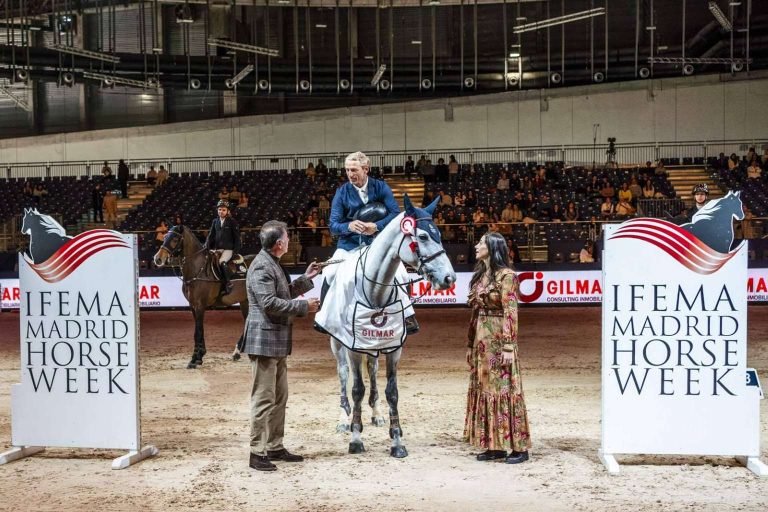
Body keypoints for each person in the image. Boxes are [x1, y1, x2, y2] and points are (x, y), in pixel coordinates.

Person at [243, 220, 321, 472]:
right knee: (264, 398)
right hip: (264, 342)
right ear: (279, 243)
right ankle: (257, 452)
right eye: (287, 238)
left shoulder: (270, 263)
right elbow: (269, 304)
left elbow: (281, 293)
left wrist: (305, 279)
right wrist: (303, 306)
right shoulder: (261, 266)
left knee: (278, 398)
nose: (289, 241)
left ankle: (274, 446)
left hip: (274, 342)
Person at [326, 150, 418, 333]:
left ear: (366, 169)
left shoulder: (381, 187)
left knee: (401, 274)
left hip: (378, 244)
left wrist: (376, 226)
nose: (350, 174)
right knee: (330, 273)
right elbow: (333, 225)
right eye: (347, 170)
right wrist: (349, 226)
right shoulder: (341, 192)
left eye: (354, 170)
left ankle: (407, 315)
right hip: (349, 245)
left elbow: (395, 214)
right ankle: (326, 317)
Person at [464, 232, 531, 464]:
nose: (476, 246)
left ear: (492, 248)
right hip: (482, 341)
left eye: (481, 243)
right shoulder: (481, 276)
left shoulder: (507, 276)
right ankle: (495, 445)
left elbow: (511, 311)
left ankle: (519, 448)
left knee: (504, 389)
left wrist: (509, 345)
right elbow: (475, 313)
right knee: (486, 389)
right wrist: (470, 343)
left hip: (499, 342)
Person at [205, 199, 241, 294]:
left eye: (223, 210)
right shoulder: (215, 221)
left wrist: (236, 251)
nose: (221, 211)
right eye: (219, 209)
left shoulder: (232, 222)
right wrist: (206, 246)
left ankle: (228, 283)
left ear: (228, 211)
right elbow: (211, 236)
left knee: (221, 262)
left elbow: (237, 238)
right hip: (217, 249)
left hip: (228, 249)